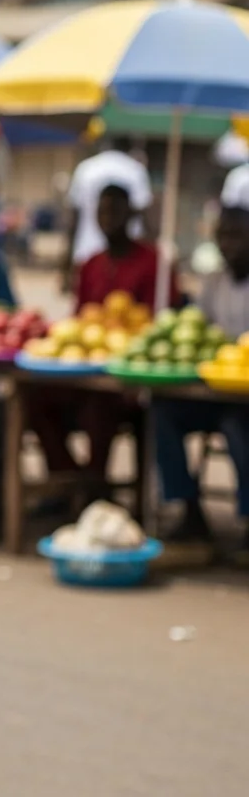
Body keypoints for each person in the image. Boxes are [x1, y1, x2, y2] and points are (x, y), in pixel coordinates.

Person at [28, 184, 177, 481]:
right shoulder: (91, 264)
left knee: (100, 407)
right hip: (85, 372)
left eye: (115, 211)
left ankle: (94, 484)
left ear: (130, 214)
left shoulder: (154, 262)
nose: (108, 218)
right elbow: (81, 317)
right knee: (34, 399)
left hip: (127, 381)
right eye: (102, 211)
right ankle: (68, 479)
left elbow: (161, 323)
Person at [152, 169, 249, 556]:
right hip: (214, 391)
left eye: (236, 235)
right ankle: (187, 508)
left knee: (237, 425)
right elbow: (202, 340)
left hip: (243, 403)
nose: (229, 244)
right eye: (223, 235)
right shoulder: (214, 284)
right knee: (163, 411)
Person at [63, 136, 152, 290]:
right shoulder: (135, 170)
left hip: (87, 249)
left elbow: (73, 219)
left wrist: (66, 263)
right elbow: (145, 214)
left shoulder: (85, 169)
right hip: (127, 258)